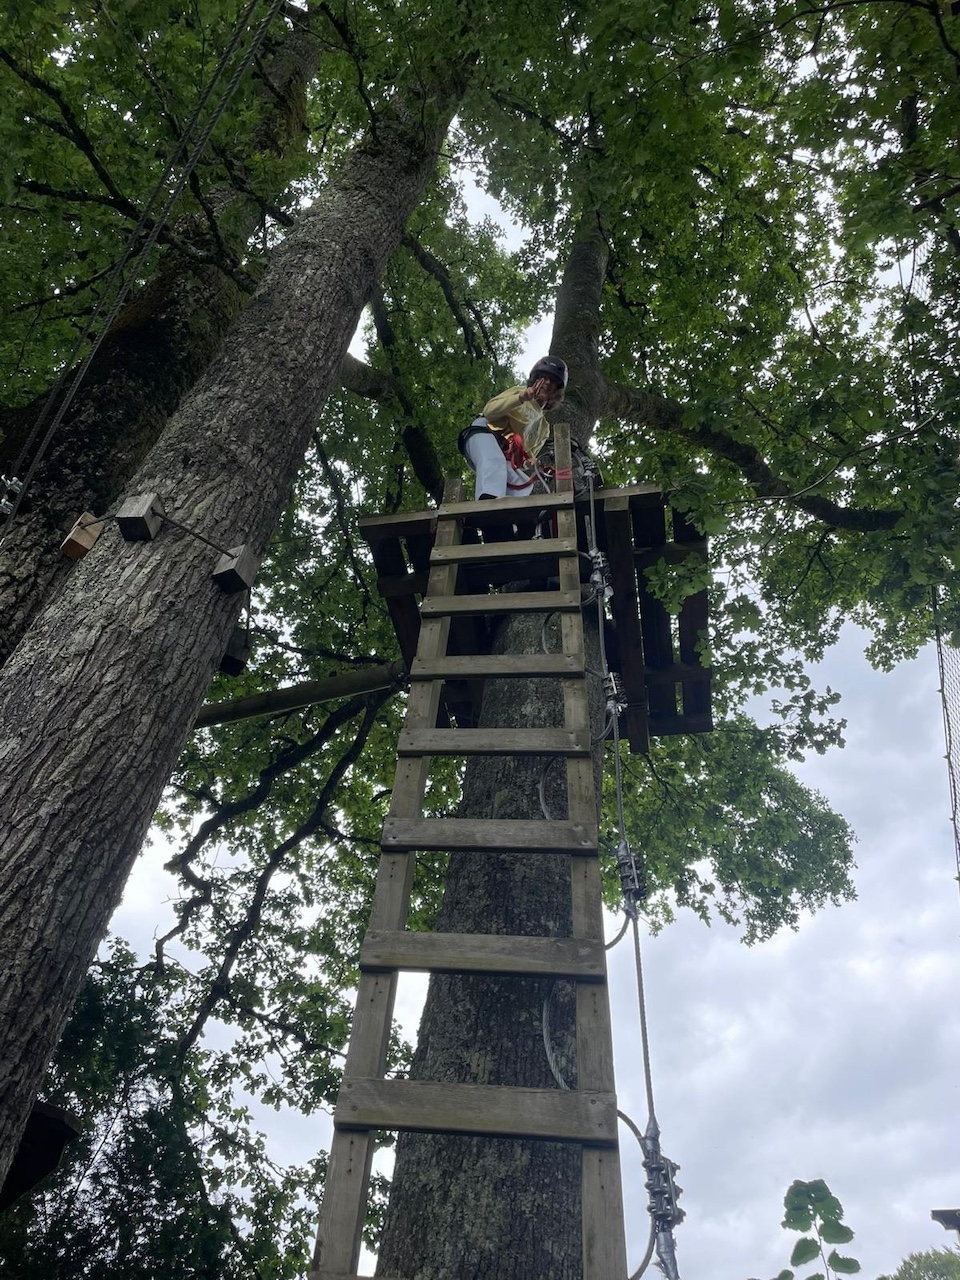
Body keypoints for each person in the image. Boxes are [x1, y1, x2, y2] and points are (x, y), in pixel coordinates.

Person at [458, 356, 568, 500]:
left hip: (505, 453)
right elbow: (489, 411)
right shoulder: (518, 392)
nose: (547, 383)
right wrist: (521, 398)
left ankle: (509, 510)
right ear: (535, 379)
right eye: (543, 377)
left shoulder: (543, 428)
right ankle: (488, 501)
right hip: (484, 433)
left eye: (552, 381)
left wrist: (529, 462)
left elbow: (525, 456)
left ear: (556, 390)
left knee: (522, 482)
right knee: (494, 460)